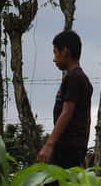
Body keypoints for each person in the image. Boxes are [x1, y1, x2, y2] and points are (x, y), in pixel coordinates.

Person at [37, 30, 93, 169]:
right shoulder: (83, 79)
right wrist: (82, 150)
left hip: (66, 149)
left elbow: (67, 112)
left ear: (65, 51)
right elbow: (86, 118)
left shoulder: (74, 78)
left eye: (55, 52)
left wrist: (49, 145)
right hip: (74, 149)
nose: (54, 58)